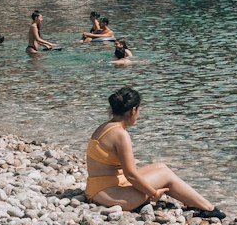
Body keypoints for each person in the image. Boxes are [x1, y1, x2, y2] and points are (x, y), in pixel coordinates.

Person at [85, 87, 224, 216]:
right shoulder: (121, 134)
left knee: (160, 167)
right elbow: (131, 175)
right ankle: (208, 208)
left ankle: (192, 202)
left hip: (98, 188)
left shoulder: (105, 127)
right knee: (165, 175)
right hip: (108, 195)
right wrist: (154, 193)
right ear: (133, 110)